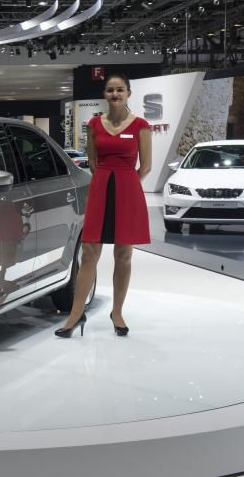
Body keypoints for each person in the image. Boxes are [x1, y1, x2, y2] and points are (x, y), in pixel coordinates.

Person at [56, 74, 151, 338]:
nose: (115, 94)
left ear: (128, 93)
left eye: (120, 90)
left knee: (124, 254)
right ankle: (76, 314)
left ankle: (117, 313)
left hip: (128, 189)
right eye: (110, 90)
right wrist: (106, 182)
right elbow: (93, 162)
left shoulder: (141, 125)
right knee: (89, 252)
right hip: (100, 187)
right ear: (105, 94)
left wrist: (126, 185)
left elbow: (146, 166)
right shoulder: (94, 124)